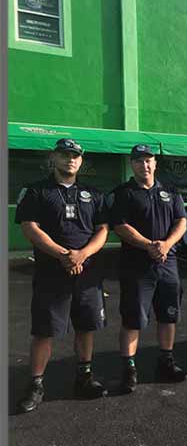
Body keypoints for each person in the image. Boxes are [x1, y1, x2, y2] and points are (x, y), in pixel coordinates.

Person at [15, 139, 109, 412]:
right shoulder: (36, 191)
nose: (70, 159)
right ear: (53, 158)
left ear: (81, 161)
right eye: (65, 154)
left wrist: (82, 255)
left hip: (87, 274)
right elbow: (30, 228)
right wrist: (63, 255)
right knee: (44, 331)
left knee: (86, 327)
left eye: (75, 156)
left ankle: (84, 378)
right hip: (51, 273)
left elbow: (103, 230)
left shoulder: (94, 194)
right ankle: (36, 385)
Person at [110, 144, 187, 394]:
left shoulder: (170, 191)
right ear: (132, 165)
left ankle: (166, 362)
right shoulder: (124, 193)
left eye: (148, 160)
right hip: (137, 266)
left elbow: (181, 221)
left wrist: (166, 244)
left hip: (168, 263)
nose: (144, 165)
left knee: (168, 315)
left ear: (155, 163)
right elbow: (120, 226)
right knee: (133, 319)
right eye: (138, 161)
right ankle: (129, 370)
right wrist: (149, 245)